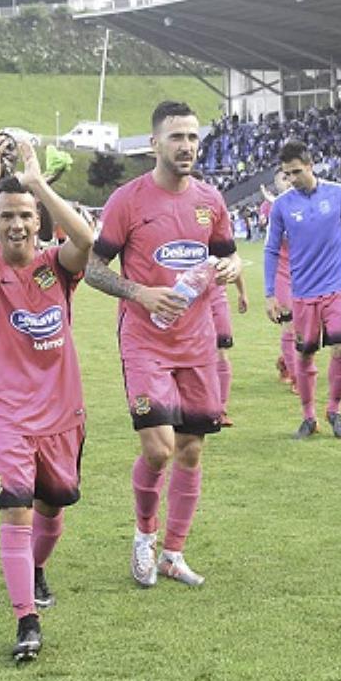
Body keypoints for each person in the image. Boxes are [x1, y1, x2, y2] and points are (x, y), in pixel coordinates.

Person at [0, 133, 94, 662]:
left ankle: (36, 568)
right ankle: (25, 620)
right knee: (16, 512)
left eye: (26, 215)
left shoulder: (58, 266)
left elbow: (88, 239)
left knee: (52, 510)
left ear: (39, 221)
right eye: (7, 215)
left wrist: (36, 183)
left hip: (63, 413)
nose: (17, 224)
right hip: (7, 414)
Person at [86, 101, 241, 588]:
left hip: (196, 345)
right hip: (145, 341)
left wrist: (233, 269)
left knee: (192, 450)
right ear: (154, 144)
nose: (187, 146)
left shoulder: (211, 201)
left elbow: (226, 256)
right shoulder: (127, 201)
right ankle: (143, 538)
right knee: (159, 448)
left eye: (193, 137)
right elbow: (92, 269)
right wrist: (138, 291)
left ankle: (173, 553)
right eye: (176, 137)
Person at [264, 140, 341, 439]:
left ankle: (335, 410)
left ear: (310, 166)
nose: (292, 179)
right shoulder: (283, 205)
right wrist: (270, 293)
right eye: (287, 174)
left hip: (336, 289)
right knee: (305, 356)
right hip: (302, 295)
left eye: (296, 172)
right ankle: (309, 416)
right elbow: (271, 249)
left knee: (340, 348)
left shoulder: (338, 195)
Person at [259, 170, 297, 393]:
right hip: (282, 273)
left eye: (292, 176)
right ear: (277, 184)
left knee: (309, 330)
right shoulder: (271, 207)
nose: (289, 181)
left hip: (306, 274)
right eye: (284, 178)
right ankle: (296, 377)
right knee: (290, 325)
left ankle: (285, 362)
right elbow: (270, 245)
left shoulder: (309, 204)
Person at [211, 272, 248, 426]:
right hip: (191, 307)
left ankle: (221, 409)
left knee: (222, 353)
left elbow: (233, 261)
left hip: (218, 304)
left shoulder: (218, 247)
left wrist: (242, 293)